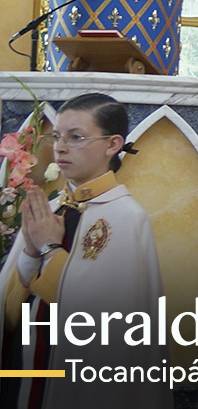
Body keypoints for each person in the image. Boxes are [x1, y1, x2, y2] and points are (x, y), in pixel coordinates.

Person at [1, 94, 164, 409]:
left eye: (75, 137)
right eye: (57, 136)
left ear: (112, 144)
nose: (60, 148)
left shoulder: (127, 217)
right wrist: (30, 253)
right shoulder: (48, 209)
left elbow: (100, 321)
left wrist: (50, 248)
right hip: (23, 371)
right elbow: (10, 316)